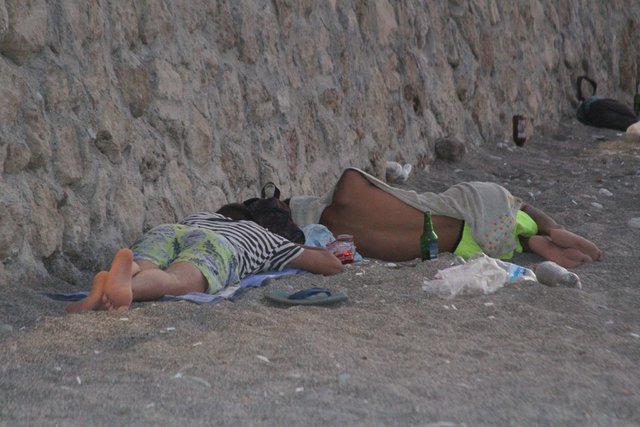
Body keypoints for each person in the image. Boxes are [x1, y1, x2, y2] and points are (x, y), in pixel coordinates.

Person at [286, 168, 602, 268]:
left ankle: (531, 241)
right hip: (479, 204)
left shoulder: (340, 240)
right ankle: (550, 229)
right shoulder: (348, 190)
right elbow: (353, 177)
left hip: (467, 244)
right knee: (512, 206)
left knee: (477, 230)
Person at [66, 213, 343, 313]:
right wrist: (295, 245)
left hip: (172, 229)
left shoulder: (205, 215)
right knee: (176, 280)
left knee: (148, 264)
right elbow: (331, 264)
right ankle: (130, 288)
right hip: (218, 245)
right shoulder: (268, 239)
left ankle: (126, 274)